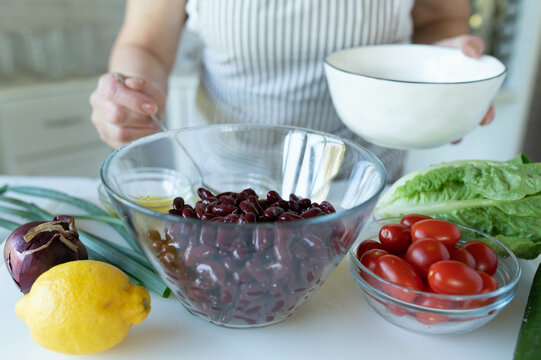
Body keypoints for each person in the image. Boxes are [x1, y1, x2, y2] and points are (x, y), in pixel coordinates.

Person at [90, 0, 494, 181]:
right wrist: (130, 91)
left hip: (362, 176)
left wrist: (446, 71)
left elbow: (440, 19)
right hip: (223, 178)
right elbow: (146, 44)